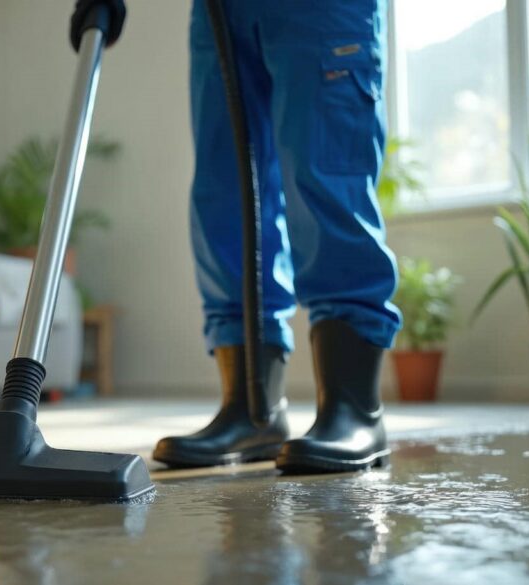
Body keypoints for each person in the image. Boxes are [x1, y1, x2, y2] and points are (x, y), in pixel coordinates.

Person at [70, 0, 400, 474]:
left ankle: (355, 408)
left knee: (326, 176)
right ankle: (251, 409)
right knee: (225, 190)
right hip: (219, 9)